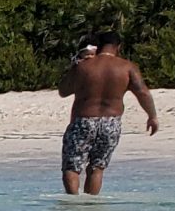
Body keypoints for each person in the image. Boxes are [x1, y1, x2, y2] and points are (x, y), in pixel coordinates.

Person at [56, 34, 159, 195]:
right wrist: (152, 116)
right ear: (118, 47)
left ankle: (73, 206)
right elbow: (143, 92)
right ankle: (92, 207)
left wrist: (75, 63)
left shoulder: (84, 66)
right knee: (97, 167)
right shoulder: (127, 67)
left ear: (97, 47)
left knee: (72, 167)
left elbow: (63, 91)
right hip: (111, 123)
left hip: (84, 120)